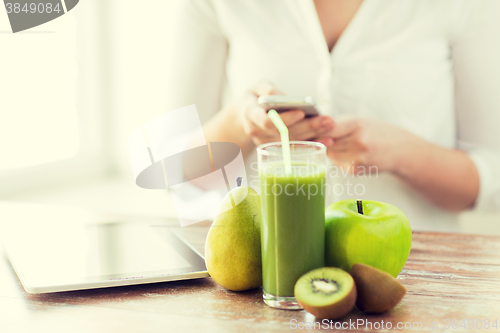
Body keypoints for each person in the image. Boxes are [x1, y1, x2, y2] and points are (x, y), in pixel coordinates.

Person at [165, 0, 500, 232]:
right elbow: (175, 174)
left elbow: (491, 179)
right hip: (264, 279)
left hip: (417, 283)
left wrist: (402, 154)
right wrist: (240, 124)